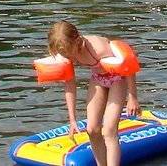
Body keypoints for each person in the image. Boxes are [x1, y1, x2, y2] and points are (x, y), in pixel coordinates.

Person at [44, 20, 140, 166]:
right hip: (98, 78)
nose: (69, 58)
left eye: (69, 54)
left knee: (108, 130)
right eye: (64, 54)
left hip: (117, 78)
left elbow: (127, 64)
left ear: (77, 41)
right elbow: (70, 85)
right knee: (92, 130)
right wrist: (72, 120)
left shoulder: (98, 48)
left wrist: (132, 97)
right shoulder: (66, 53)